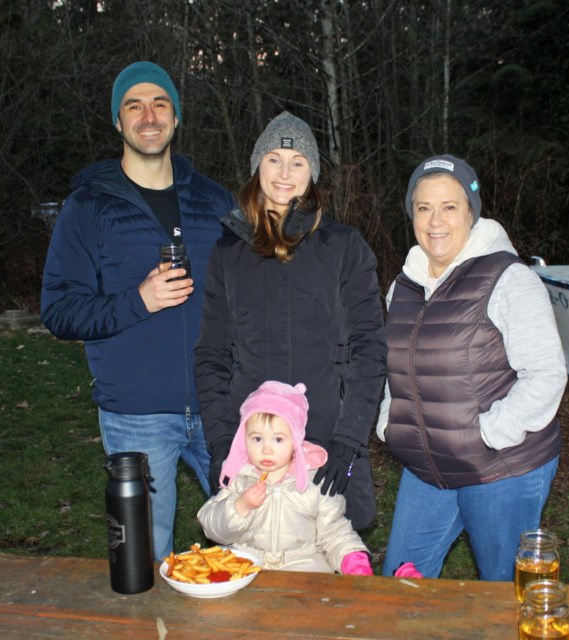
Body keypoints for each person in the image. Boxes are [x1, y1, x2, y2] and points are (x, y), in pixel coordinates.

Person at [40, 61, 236, 561]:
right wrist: (138, 301)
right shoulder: (89, 206)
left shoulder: (214, 202)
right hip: (137, 415)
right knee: (145, 562)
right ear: (118, 121)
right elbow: (60, 310)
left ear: (176, 116)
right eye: (134, 105)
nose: (148, 116)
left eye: (160, 103)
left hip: (221, 407)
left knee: (256, 541)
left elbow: (250, 295)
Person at [378, 155, 567, 580]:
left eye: (449, 206)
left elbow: (546, 375)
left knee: (501, 593)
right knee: (400, 586)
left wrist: (487, 434)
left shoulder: (508, 278)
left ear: (471, 211)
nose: (435, 220)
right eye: (423, 207)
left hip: (501, 467)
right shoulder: (403, 285)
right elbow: (398, 365)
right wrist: (390, 420)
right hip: (428, 468)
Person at [194, 112, 386, 530]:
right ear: (256, 169)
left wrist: (347, 443)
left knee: (334, 570)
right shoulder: (228, 253)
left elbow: (370, 350)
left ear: (312, 173)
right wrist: (222, 444)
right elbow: (211, 355)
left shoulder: (344, 247)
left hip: (327, 443)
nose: (285, 173)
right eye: (273, 160)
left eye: (297, 161)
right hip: (252, 448)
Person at [197, 381, 373, 574]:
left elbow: (335, 533)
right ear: (243, 438)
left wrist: (352, 558)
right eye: (257, 439)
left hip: (303, 567)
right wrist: (240, 507)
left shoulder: (315, 481)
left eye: (278, 439)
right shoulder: (239, 476)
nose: (266, 449)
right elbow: (213, 529)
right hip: (247, 565)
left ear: (296, 441)